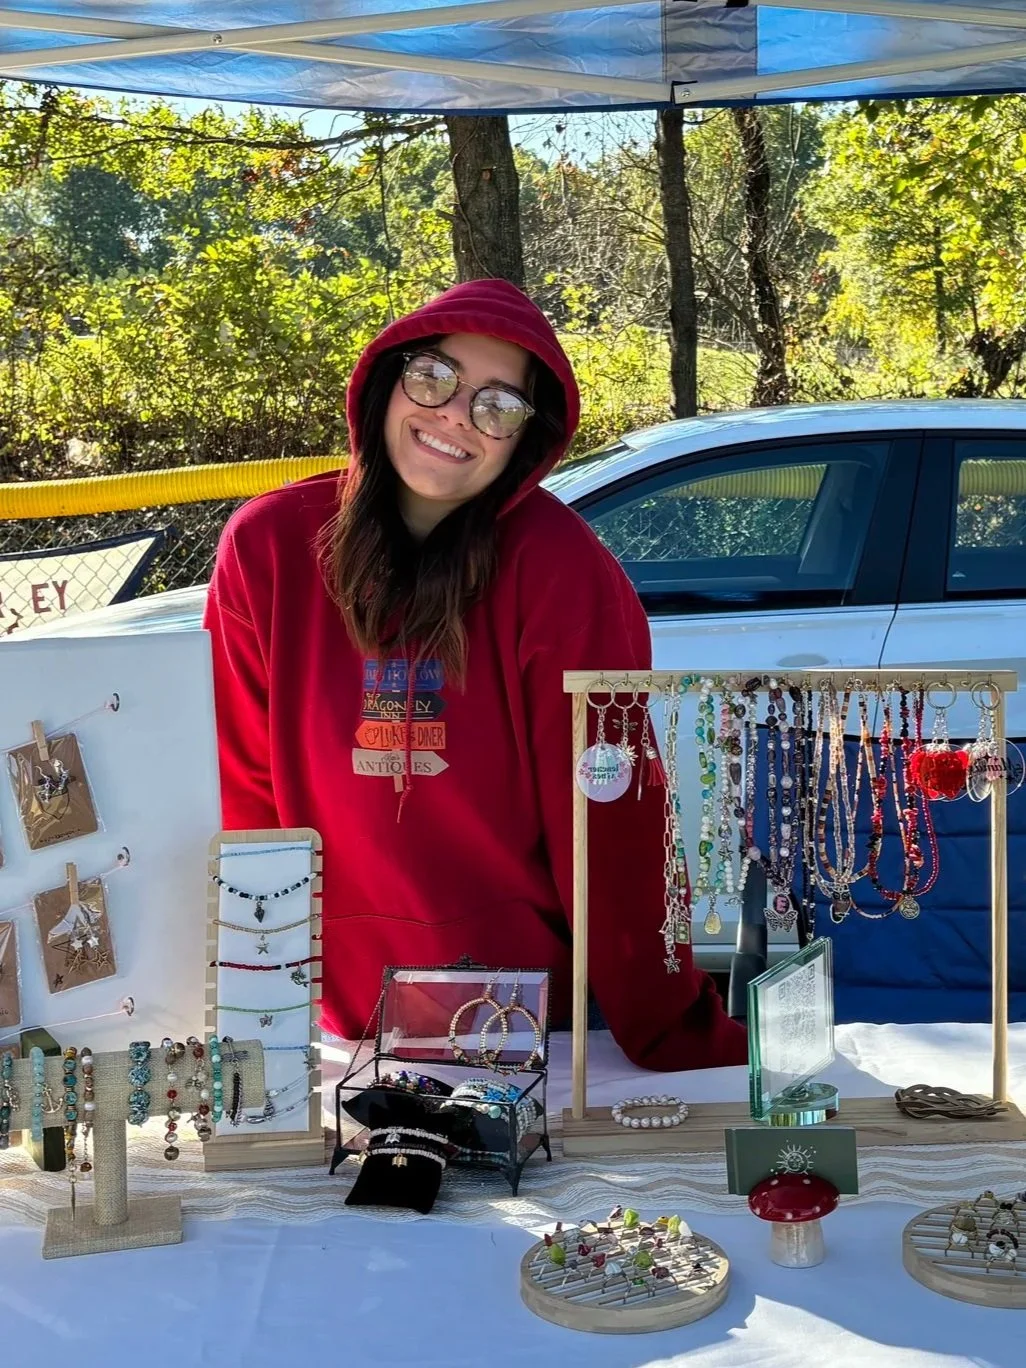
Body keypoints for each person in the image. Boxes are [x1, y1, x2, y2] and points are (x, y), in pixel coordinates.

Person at [204, 278, 746, 1071]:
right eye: (435, 377)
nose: (457, 414)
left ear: (525, 438)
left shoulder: (562, 569)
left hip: (517, 1011)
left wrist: (665, 1023)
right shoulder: (270, 547)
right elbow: (249, 792)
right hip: (331, 1005)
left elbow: (610, 811)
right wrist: (263, 1003)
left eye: (498, 405)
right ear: (388, 380)